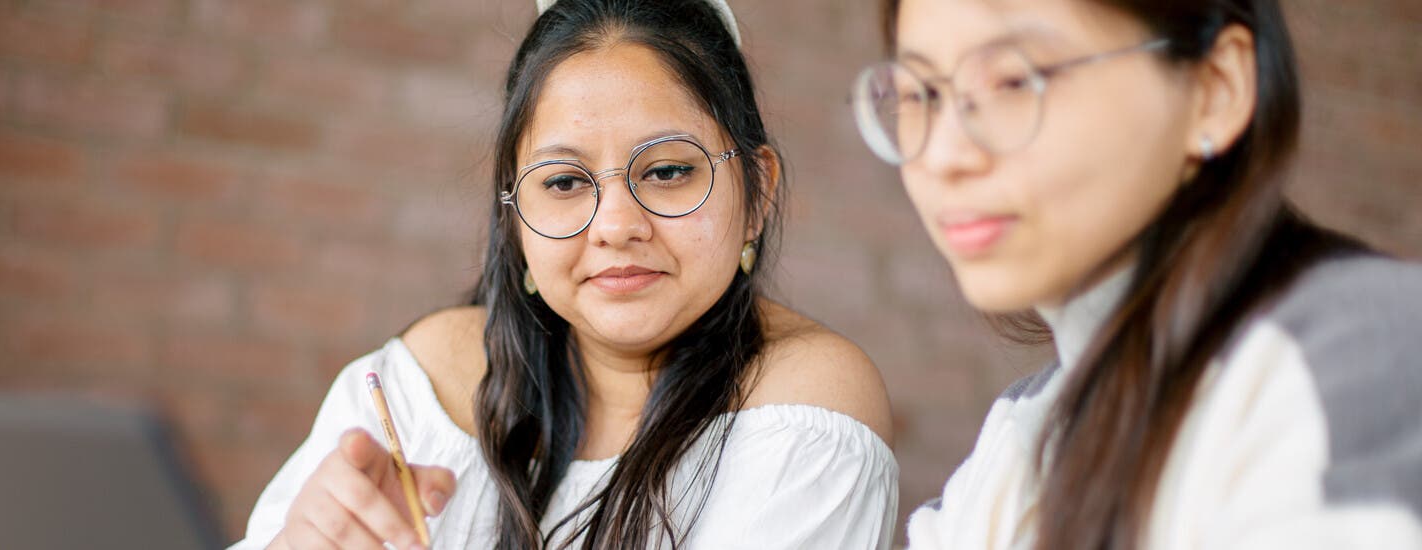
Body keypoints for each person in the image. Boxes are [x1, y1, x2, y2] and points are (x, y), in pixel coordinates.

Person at [231, 1, 900, 548]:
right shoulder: (421, 386)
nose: (615, 225)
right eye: (564, 182)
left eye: (668, 171)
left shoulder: (805, 402)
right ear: (515, 218)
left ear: (757, 192)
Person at [849, 0, 1422, 547]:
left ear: (1215, 89)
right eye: (920, 94)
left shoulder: (1355, 357)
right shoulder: (1022, 434)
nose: (944, 155)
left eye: (1015, 82)